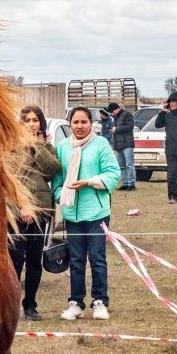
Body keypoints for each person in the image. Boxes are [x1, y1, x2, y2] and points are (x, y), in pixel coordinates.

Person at [54, 106, 120, 321]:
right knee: (76, 260)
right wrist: (60, 195)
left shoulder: (101, 144)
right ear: (70, 124)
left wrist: (91, 182)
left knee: (98, 259)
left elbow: (113, 173)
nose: (79, 126)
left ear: (91, 124)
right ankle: (76, 303)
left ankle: (100, 301)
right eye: (75, 122)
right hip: (72, 213)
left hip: (96, 213)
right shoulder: (62, 147)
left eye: (84, 122)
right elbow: (57, 180)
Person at [10, 106, 60, 321]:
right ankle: (10, 306)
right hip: (17, 210)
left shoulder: (47, 146)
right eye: (27, 120)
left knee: (34, 260)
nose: (31, 124)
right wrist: (22, 206)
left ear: (41, 123)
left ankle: (30, 305)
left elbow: (52, 170)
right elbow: (10, 180)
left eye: (35, 120)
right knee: (14, 261)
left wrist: (36, 147)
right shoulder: (10, 148)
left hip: (41, 209)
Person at [108, 102, 136, 191]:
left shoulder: (127, 115)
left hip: (127, 144)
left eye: (112, 112)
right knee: (121, 166)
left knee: (129, 165)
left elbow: (130, 127)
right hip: (118, 144)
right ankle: (125, 183)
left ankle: (131, 184)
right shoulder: (115, 118)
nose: (112, 114)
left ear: (117, 109)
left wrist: (117, 129)